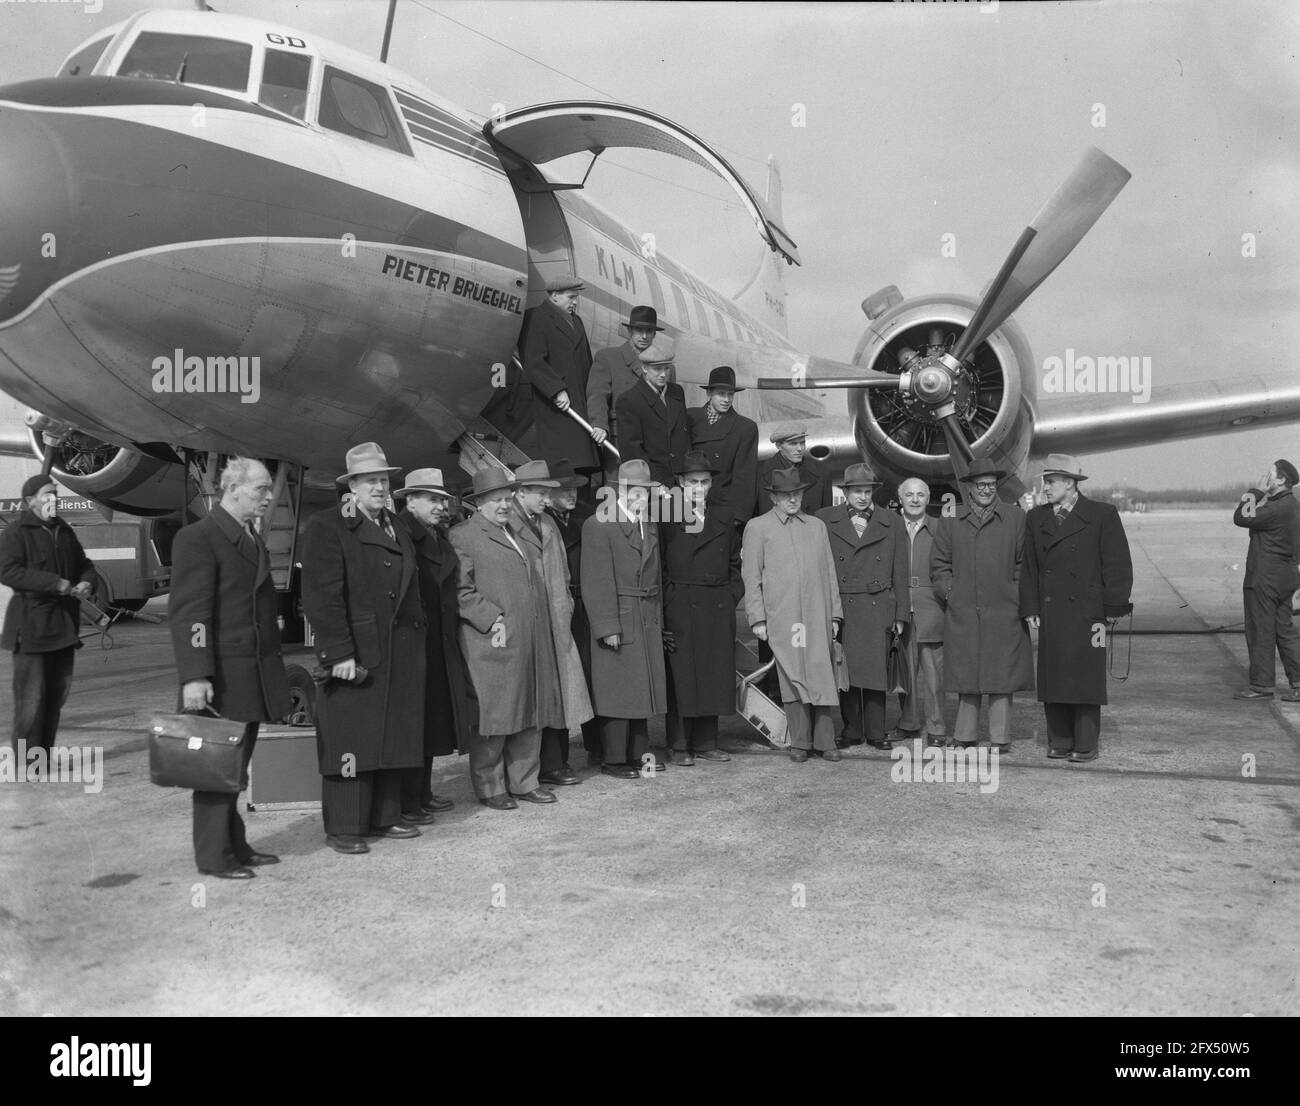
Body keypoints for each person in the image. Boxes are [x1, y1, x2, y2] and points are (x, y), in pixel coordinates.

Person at [300, 443, 427, 854]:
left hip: (400, 650)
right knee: (352, 738)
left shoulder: (396, 525)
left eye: (383, 479)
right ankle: (346, 826)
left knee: (391, 734)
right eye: (370, 480)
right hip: (358, 651)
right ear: (351, 486)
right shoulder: (328, 526)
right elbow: (322, 596)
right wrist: (337, 654)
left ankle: (385, 816)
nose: (378, 486)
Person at [168, 458, 291, 879]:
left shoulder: (248, 536)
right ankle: (213, 857)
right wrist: (195, 675)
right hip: (221, 675)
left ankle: (234, 845)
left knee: (234, 769)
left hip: (249, 671)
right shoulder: (199, 537)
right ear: (233, 488)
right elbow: (191, 615)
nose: (268, 496)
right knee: (215, 771)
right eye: (260, 489)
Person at [450, 467, 564, 808]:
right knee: (494, 717)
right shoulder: (463, 536)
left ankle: (525, 782)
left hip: (525, 638)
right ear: (479, 503)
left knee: (528, 711)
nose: (503, 505)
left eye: (506, 498)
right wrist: (492, 618)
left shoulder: (515, 531)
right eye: (496, 500)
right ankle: (491, 787)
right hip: (491, 640)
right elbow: (459, 590)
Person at [1020, 454, 1134, 763]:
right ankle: (1059, 741)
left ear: (1070, 484)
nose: (1045, 487)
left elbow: (1118, 565)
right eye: (1045, 481)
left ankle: (1085, 744)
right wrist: (1030, 605)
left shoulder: (1102, 514)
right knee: (1054, 676)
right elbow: (1029, 567)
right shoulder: (1035, 518)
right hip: (1052, 613)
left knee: (1085, 678)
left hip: (1091, 614)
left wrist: (1114, 607)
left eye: (1051, 481)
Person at [931, 459, 1034, 752]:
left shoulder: (1015, 518)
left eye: (991, 485)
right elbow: (939, 565)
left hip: (1004, 611)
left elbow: (1023, 564)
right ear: (969, 488)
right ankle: (965, 735)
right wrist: (951, 593)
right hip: (963, 611)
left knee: (1002, 676)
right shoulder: (951, 521)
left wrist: (1012, 595)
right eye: (981, 485)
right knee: (967, 675)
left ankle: (1000, 739)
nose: (987, 490)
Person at [743, 468, 844, 763]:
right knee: (792, 675)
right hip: (782, 616)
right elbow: (752, 577)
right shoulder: (757, 527)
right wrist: (757, 618)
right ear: (774, 497)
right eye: (786, 494)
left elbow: (829, 571)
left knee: (821, 673)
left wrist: (835, 615)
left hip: (816, 613)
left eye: (797, 493)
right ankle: (800, 741)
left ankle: (826, 741)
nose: (793, 499)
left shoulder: (816, 526)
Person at [393, 468, 476, 820]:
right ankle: (408, 800)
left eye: (443, 500)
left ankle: (422, 792)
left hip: (437, 639)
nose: (441, 506)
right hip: (416, 639)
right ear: (410, 501)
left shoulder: (433, 534)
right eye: (433, 500)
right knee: (413, 722)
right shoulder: (403, 534)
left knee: (430, 721)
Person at [581, 459, 668, 779]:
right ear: (619, 491)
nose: (640, 497)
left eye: (645, 492)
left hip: (644, 615)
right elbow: (596, 579)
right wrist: (606, 626)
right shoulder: (599, 524)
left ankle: (637, 754)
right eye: (633, 491)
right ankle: (614, 758)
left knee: (641, 690)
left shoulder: (648, 523)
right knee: (618, 690)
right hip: (620, 615)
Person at [509, 460, 594, 787]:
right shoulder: (511, 524)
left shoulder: (546, 523)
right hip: (530, 622)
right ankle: (536, 766)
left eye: (548, 493)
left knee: (559, 690)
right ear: (522, 492)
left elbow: (563, 571)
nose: (547, 498)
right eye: (541, 493)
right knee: (534, 695)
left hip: (558, 618)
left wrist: (566, 604)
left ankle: (556, 761)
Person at [1, 475, 95, 760]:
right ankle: (26, 762)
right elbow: (8, 571)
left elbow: (85, 565)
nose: (52, 498)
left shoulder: (64, 532)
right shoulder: (17, 533)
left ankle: (41, 760)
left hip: (63, 629)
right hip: (31, 630)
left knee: (55, 699)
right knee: (31, 702)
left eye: (55, 493)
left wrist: (88, 582)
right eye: (46, 494)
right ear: (30, 501)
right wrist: (53, 583)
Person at [817, 463, 908, 752]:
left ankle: (877, 731)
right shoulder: (825, 520)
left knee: (876, 671)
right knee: (845, 669)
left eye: (867, 491)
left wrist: (900, 614)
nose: (862, 497)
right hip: (842, 604)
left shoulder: (891, 521)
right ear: (845, 492)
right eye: (856, 491)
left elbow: (900, 572)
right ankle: (852, 729)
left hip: (877, 603)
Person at [661, 450, 744, 766]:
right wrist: (669, 604)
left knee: (713, 672)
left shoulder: (724, 518)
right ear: (681, 483)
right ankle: (680, 745)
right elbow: (661, 566)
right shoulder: (666, 517)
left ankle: (707, 742)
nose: (698, 487)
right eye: (692, 481)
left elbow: (735, 562)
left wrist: (730, 595)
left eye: (704, 482)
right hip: (680, 604)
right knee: (682, 676)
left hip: (717, 603)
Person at [544, 459, 602, 766]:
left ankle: (597, 745)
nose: (571, 494)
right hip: (558, 604)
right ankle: (556, 758)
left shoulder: (587, 517)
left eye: (574, 488)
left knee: (593, 674)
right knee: (560, 675)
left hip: (586, 603)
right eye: (564, 489)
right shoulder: (540, 523)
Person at [1230, 459, 1300, 702]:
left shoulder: (1275, 509)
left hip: (1265, 577)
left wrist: (1256, 491)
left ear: (1281, 480)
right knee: (1285, 630)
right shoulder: (1293, 506)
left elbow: (1241, 516)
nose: (1264, 477)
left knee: (1261, 630)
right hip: (1287, 575)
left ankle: (1261, 685)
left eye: (1268, 475)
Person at [517, 276, 601, 474]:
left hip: (581, 402)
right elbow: (533, 360)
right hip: (557, 405)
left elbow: (586, 362)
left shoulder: (577, 322)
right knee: (565, 465)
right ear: (554, 296)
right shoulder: (536, 317)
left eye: (576, 298)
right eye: (571, 297)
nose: (575, 302)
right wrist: (556, 390)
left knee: (583, 467)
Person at [895, 478, 947, 747]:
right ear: (900, 498)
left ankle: (937, 727)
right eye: (909, 495)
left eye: (920, 495)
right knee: (904, 673)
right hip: (901, 609)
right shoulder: (891, 528)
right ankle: (909, 723)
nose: (914, 500)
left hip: (931, 608)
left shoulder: (940, 528)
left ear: (928, 499)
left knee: (934, 675)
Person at [587, 304, 662, 459]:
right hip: (619, 439)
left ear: (654, 334)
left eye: (649, 331)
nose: (644, 336)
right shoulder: (608, 357)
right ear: (629, 331)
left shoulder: (663, 366)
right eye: (639, 330)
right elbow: (597, 394)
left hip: (653, 442)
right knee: (618, 483)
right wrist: (599, 424)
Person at [687, 365, 758, 528]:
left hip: (722, 510)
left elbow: (745, 477)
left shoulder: (745, 428)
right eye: (721, 394)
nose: (726, 400)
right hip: (688, 507)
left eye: (730, 395)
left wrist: (738, 517)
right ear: (709, 393)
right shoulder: (689, 418)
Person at [615, 339, 690, 486]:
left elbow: (683, 437)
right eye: (657, 369)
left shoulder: (676, 392)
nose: (663, 374)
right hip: (652, 483)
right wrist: (656, 482)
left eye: (666, 369)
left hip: (681, 479)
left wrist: (688, 473)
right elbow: (632, 451)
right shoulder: (629, 400)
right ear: (644, 368)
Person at [755, 423, 833, 517]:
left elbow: (826, 515)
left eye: (802, 442)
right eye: (793, 444)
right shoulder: (758, 473)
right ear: (779, 446)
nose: (800, 448)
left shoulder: (822, 472)